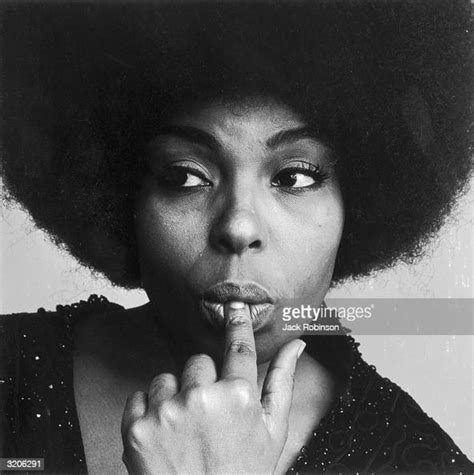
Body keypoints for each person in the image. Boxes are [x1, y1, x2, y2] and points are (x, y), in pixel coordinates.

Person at [0, 2, 472, 474]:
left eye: (295, 177)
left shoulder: (419, 463)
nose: (238, 227)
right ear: (119, 195)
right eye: (186, 177)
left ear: (362, 201)